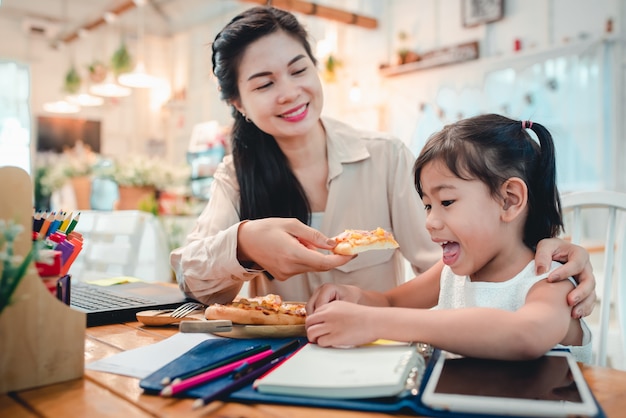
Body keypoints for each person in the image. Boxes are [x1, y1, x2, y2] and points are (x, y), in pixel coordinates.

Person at [169, 6, 596, 320]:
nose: (289, 92)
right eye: (264, 84)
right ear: (238, 103)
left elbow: (452, 267)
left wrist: (542, 253)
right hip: (269, 357)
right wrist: (243, 244)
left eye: (299, 70)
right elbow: (191, 278)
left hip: (377, 350)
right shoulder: (235, 176)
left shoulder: (384, 155)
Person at [306, 114, 592, 362]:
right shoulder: (450, 273)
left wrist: (372, 322)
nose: (429, 222)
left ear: (509, 200)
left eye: (447, 202)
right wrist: (353, 297)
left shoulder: (549, 281)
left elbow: (525, 334)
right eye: (428, 205)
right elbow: (390, 303)